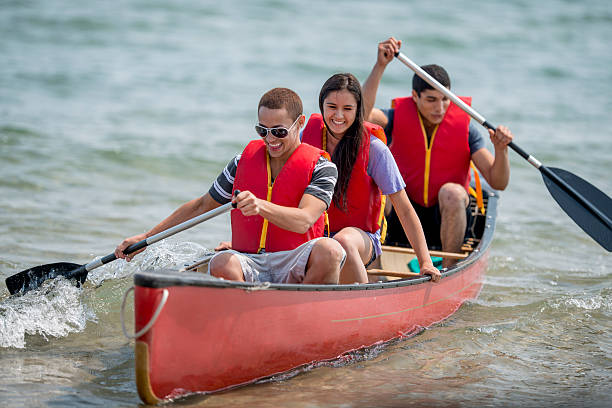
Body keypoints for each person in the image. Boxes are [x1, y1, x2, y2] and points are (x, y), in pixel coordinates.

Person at [115, 88, 346, 284]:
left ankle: (302, 312)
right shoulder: (241, 163)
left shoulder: (323, 168)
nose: (270, 139)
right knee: (221, 262)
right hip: (250, 261)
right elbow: (201, 206)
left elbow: (303, 220)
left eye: (279, 131)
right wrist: (146, 238)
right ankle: (247, 316)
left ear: (300, 123)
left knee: (331, 250)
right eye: (262, 130)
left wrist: (260, 206)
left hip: (295, 258)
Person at [362, 37, 514, 268]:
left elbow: (498, 182)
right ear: (415, 96)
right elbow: (363, 115)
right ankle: (376, 270)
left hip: (446, 219)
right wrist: (380, 66)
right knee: (379, 187)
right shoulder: (395, 118)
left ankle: (449, 269)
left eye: (445, 99)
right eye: (431, 100)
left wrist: (501, 150)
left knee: (453, 192)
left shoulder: (467, 132)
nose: (440, 108)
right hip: (404, 218)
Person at [302, 73, 440, 284]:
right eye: (332, 107)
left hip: (361, 238)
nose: (339, 116)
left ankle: (364, 306)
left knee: (343, 241)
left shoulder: (375, 149)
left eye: (347, 109)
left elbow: (404, 209)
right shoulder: (306, 138)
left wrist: (425, 262)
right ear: (322, 107)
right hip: (316, 233)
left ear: (358, 111)